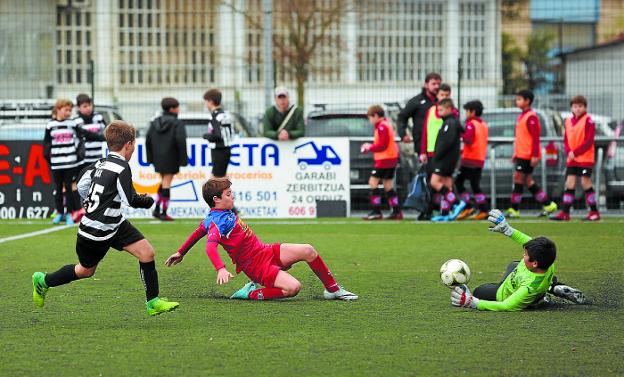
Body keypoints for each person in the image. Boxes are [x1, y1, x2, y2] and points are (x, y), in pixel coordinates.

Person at [32, 120, 179, 316]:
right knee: (85, 271)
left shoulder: (99, 164)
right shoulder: (122, 168)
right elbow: (130, 199)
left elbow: (82, 185)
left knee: (147, 253)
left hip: (115, 225)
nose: (134, 148)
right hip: (94, 232)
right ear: (128, 145)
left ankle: (152, 303)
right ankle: (43, 281)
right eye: (133, 144)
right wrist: (148, 201)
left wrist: (89, 203)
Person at [164, 177, 358, 301]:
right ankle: (250, 293)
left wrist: (181, 251)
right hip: (256, 266)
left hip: (264, 251)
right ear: (216, 199)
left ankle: (332, 290)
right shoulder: (216, 222)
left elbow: (197, 232)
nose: (233, 197)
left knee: (308, 249)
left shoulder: (217, 216)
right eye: (228, 194)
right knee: (294, 288)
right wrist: (220, 268)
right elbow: (209, 247)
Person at [450, 209, 587, 311]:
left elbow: (506, 306)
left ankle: (538, 300)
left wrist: (473, 303)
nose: (523, 255)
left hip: (504, 293)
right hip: (523, 278)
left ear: (534, 263)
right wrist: (507, 230)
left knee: (479, 291)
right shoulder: (547, 259)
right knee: (514, 264)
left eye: (526, 255)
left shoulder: (529, 287)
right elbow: (528, 241)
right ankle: (553, 287)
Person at [506, 90, 557, 218]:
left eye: (519, 99)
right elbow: (522, 137)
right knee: (528, 181)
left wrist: (534, 155)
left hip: (528, 155)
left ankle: (514, 209)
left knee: (518, 178)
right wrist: (516, 153)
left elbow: (535, 138)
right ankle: (548, 204)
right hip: (522, 154)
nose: (517, 102)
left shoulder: (531, 117)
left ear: (527, 101)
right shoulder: (522, 116)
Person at [397, 72, 441, 221]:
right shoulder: (417, 101)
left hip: (441, 147)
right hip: (423, 148)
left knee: (437, 179)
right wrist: (403, 134)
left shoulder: (442, 103)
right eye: (433, 84)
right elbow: (402, 117)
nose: (436, 87)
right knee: (427, 180)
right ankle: (428, 210)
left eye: (438, 84)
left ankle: (437, 209)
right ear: (426, 84)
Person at [550, 95, 600, 221]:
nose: (577, 109)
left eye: (580, 106)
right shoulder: (567, 121)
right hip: (572, 159)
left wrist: (575, 152)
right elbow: (566, 139)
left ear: (585, 107)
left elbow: (589, 141)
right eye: (575, 106)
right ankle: (565, 213)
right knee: (569, 183)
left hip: (585, 158)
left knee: (585, 182)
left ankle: (594, 212)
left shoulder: (588, 121)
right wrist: (569, 152)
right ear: (571, 107)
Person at [146, 97, 188, 221]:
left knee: (164, 182)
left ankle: (157, 209)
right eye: (177, 107)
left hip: (158, 158)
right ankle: (163, 212)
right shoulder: (177, 123)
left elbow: (148, 140)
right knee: (167, 183)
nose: (179, 109)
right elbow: (181, 141)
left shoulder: (155, 122)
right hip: (172, 157)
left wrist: (150, 158)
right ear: (172, 109)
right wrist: (183, 159)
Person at [418, 83, 457, 218]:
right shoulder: (431, 111)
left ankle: (452, 205)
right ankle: (437, 210)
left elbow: (453, 136)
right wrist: (423, 151)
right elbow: (425, 131)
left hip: (443, 153)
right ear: (437, 95)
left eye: (446, 95)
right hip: (431, 152)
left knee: (439, 182)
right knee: (435, 184)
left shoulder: (452, 114)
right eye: (442, 95)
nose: (443, 97)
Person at [43, 99, 84, 225]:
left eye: (70, 110)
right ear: (58, 109)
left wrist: (78, 155)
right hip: (56, 163)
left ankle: (70, 214)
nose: (68, 112)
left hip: (70, 162)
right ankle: (60, 212)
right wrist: (48, 157)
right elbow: (46, 143)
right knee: (58, 188)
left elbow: (79, 140)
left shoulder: (73, 124)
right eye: (66, 110)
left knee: (69, 188)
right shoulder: (50, 125)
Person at [360, 105, 402, 220]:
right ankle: (396, 211)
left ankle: (376, 211)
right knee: (388, 185)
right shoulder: (384, 125)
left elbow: (382, 145)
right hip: (390, 159)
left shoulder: (382, 127)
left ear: (376, 116)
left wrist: (369, 147)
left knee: (373, 182)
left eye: (370, 118)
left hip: (384, 159)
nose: (370, 121)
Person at [429, 99, 466, 222]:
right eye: (438, 110)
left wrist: (437, 155)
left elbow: (446, 142)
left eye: (441, 110)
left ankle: (456, 203)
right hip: (449, 160)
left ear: (450, 109)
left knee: (434, 182)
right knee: (447, 186)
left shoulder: (449, 123)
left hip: (445, 160)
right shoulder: (450, 122)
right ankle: (445, 213)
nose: (439, 112)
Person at [455, 100, 490, 220]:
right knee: (475, 185)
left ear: (473, 112)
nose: (466, 114)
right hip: (479, 159)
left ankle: (470, 206)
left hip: (469, 160)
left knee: (458, 183)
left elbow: (468, 140)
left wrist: (459, 133)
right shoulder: (483, 125)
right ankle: (483, 209)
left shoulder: (471, 124)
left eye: (467, 111)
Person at [202, 88, 233, 178]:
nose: (206, 104)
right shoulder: (225, 114)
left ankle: (225, 192)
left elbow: (218, 136)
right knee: (222, 177)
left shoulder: (214, 116)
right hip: (226, 149)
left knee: (217, 180)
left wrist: (206, 136)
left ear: (210, 101)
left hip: (218, 150)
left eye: (206, 102)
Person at [74, 93, 107, 166]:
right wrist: (98, 137)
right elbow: (80, 137)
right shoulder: (76, 121)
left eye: (89, 105)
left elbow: (105, 134)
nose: (88, 108)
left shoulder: (99, 117)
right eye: (85, 106)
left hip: (100, 156)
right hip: (85, 159)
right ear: (78, 107)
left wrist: (89, 136)